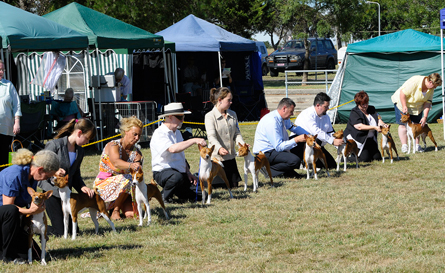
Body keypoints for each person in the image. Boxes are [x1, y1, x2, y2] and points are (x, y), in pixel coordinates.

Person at [38, 118, 96, 236]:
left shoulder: (80, 151)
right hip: (52, 193)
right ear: (79, 133)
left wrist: (82, 187)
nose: (87, 142)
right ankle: (36, 227)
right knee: (59, 232)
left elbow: (76, 175)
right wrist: (53, 172)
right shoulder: (54, 145)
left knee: (73, 231)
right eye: (87, 138)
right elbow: (41, 167)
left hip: (66, 194)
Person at [0, 148, 59, 264]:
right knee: (11, 210)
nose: (46, 180)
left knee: (35, 255)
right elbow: (8, 208)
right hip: (5, 216)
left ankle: (14, 251)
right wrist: (31, 211)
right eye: (47, 177)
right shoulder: (14, 175)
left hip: (13, 219)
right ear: (40, 170)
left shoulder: (32, 176)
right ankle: (5, 255)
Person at [151, 102, 207, 203]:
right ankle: (163, 197)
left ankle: (175, 192)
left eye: (183, 117)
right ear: (170, 117)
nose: (182, 120)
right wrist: (193, 140)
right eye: (180, 117)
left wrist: (188, 173)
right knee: (176, 177)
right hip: (163, 172)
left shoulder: (177, 133)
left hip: (180, 173)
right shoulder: (159, 133)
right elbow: (172, 149)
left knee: (202, 195)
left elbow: (181, 156)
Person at [94, 116, 143, 221]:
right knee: (127, 178)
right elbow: (116, 163)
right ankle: (115, 211)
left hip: (125, 189)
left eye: (139, 135)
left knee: (130, 214)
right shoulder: (113, 145)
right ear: (126, 131)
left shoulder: (137, 153)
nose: (137, 138)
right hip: (105, 185)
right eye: (135, 134)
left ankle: (116, 207)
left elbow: (137, 174)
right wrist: (131, 165)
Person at [253, 98, 308, 178]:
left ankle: (288, 172)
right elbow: (279, 147)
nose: (292, 114)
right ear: (284, 109)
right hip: (265, 154)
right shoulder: (272, 122)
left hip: (274, 149)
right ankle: (269, 170)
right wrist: (296, 139)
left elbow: (293, 127)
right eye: (291, 111)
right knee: (294, 161)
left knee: (302, 141)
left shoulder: (283, 117)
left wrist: (308, 135)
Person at [391, 73, 442, 153]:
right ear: (430, 82)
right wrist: (404, 106)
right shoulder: (415, 81)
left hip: (417, 107)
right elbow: (402, 93)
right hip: (402, 102)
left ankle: (417, 145)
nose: (435, 88)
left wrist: (425, 117)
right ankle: (404, 145)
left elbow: (428, 102)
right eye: (435, 85)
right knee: (403, 125)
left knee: (417, 125)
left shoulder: (431, 89)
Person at [205, 87, 244, 188]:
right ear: (219, 100)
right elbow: (211, 137)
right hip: (217, 159)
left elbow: (237, 134)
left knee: (234, 186)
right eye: (229, 100)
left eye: (231, 100)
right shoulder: (209, 116)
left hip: (230, 158)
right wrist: (219, 148)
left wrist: (242, 144)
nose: (231, 102)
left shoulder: (233, 114)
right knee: (220, 186)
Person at [294, 92, 343, 169]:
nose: (328, 109)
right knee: (317, 138)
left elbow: (330, 132)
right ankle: (304, 162)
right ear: (318, 105)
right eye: (326, 107)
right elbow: (316, 132)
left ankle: (310, 164)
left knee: (332, 166)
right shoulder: (308, 114)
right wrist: (332, 141)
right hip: (302, 146)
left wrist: (339, 143)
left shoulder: (326, 116)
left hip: (316, 146)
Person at [344, 91, 388, 162]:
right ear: (358, 104)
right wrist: (374, 127)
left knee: (377, 157)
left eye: (366, 103)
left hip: (370, 139)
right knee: (365, 159)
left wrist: (383, 125)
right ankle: (345, 158)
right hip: (358, 140)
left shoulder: (371, 109)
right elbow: (359, 126)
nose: (365, 106)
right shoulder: (354, 112)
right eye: (363, 104)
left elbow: (378, 119)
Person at [0, 59, 21, 170]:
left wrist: (16, 122)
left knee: (3, 157)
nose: (1, 72)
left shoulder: (9, 85)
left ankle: (2, 183)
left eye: (2, 69)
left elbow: (16, 105)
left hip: (5, 128)